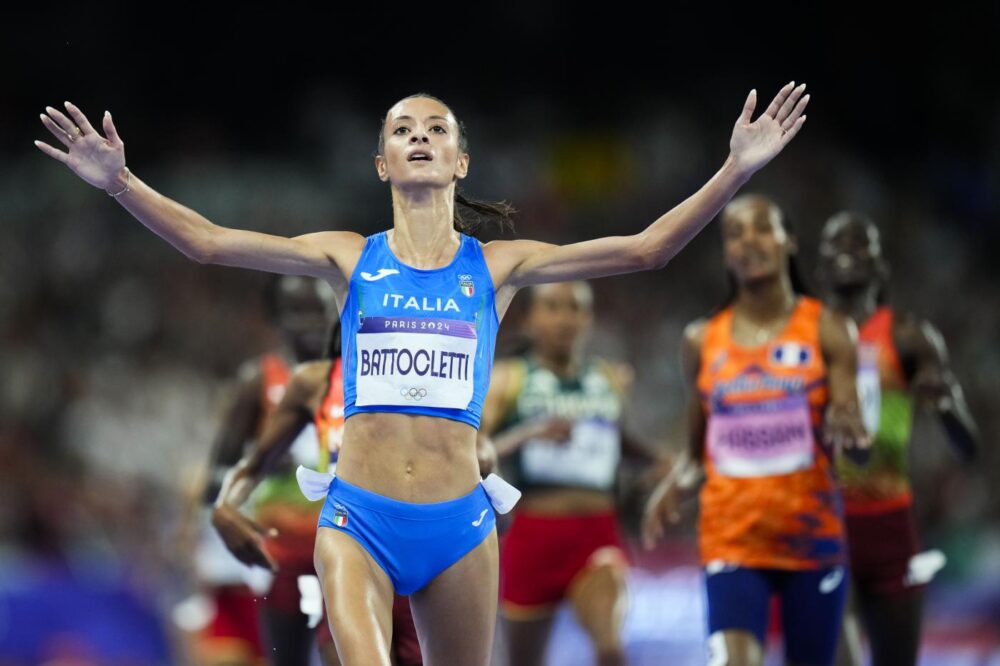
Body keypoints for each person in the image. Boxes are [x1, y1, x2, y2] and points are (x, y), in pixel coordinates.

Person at [36, 81, 809, 664]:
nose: (418, 136)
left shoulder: (499, 268)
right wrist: (119, 184)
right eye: (401, 129)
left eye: (435, 129)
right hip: (358, 521)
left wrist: (736, 170)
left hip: (460, 529)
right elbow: (207, 242)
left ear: (459, 160)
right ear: (380, 163)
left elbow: (648, 250)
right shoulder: (348, 256)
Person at [641, 194, 870, 666]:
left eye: (763, 228)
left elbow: (853, 431)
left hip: (812, 542)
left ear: (789, 240)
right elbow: (698, 454)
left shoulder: (830, 329)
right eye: (736, 234)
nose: (749, 242)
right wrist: (675, 484)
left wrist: (852, 428)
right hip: (733, 539)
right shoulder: (701, 339)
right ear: (727, 253)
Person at [817, 212, 980, 666]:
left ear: (880, 267)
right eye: (836, 243)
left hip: (891, 530)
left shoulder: (909, 337)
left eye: (859, 241)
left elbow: (969, 448)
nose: (848, 248)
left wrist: (946, 407)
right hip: (825, 529)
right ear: (820, 269)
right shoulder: (804, 336)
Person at [212, 319, 425, 666]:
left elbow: (475, 454)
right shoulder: (317, 381)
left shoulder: (426, 380)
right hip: (346, 554)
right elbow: (253, 463)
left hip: (420, 565)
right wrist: (224, 507)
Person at [480, 280, 664, 666]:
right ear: (530, 319)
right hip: (532, 534)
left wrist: (661, 462)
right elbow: (473, 452)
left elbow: (619, 441)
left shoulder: (610, 378)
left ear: (588, 318)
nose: (565, 318)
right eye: (552, 307)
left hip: (596, 534)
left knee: (610, 648)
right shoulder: (509, 379)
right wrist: (530, 431)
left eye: (574, 307)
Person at [191, 274, 331, 665]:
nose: (311, 325)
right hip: (279, 555)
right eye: (297, 314)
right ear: (275, 317)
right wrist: (215, 547)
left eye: (319, 312)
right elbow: (220, 471)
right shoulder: (261, 380)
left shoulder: (353, 376)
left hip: (343, 548)